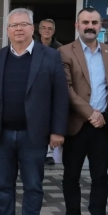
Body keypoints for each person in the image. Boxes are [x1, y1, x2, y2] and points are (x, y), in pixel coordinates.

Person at [0, 8, 69, 215]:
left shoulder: (50, 56)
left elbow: (60, 95)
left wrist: (57, 131)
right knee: (3, 184)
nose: (19, 29)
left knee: (33, 185)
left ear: (32, 28)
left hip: (33, 135)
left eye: (23, 24)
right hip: (2, 134)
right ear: (7, 31)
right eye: (14, 25)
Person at [59, 8, 108, 215]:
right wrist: (90, 113)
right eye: (85, 22)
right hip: (76, 125)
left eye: (94, 22)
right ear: (77, 25)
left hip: (102, 126)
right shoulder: (64, 52)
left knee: (100, 177)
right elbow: (67, 89)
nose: (90, 26)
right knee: (71, 177)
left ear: (100, 25)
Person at [38, 18, 62, 165]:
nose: (47, 31)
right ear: (39, 30)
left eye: (50, 28)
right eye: (44, 28)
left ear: (53, 31)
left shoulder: (59, 48)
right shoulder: (32, 46)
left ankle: (50, 152)